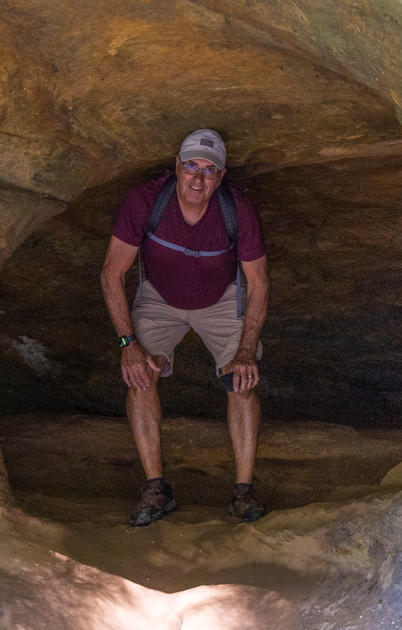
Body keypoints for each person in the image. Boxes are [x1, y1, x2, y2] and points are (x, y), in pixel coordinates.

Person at [101, 129, 269, 527]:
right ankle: (155, 487)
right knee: (140, 375)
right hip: (160, 298)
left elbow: (259, 283)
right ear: (177, 166)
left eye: (209, 171)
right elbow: (111, 273)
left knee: (241, 380)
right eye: (191, 166)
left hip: (222, 299)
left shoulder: (237, 209)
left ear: (222, 176)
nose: (198, 179)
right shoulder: (147, 199)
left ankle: (243, 492)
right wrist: (128, 343)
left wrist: (245, 352)